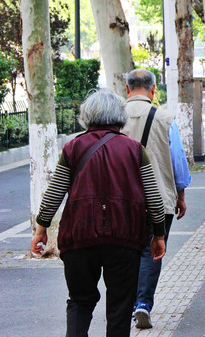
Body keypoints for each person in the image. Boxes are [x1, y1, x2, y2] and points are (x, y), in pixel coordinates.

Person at [31, 89, 166, 337]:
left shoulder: (73, 148)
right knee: (120, 306)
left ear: (87, 116)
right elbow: (154, 199)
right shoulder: (134, 149)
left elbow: (54, 193)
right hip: (124, 239)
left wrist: (41, 229)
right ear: (119, 116)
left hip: (79, 237)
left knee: (79, 301)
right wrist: (158, 235)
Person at [122, 68, 192, 329]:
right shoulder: (164, 118)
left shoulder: (114, 117)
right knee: (152, 251)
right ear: (153, 90)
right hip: (160, 200)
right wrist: (181, 194)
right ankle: (142, 304)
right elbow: (177, 160)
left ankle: (126, 303)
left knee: (126, 251)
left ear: (127, 90)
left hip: (123, 201)